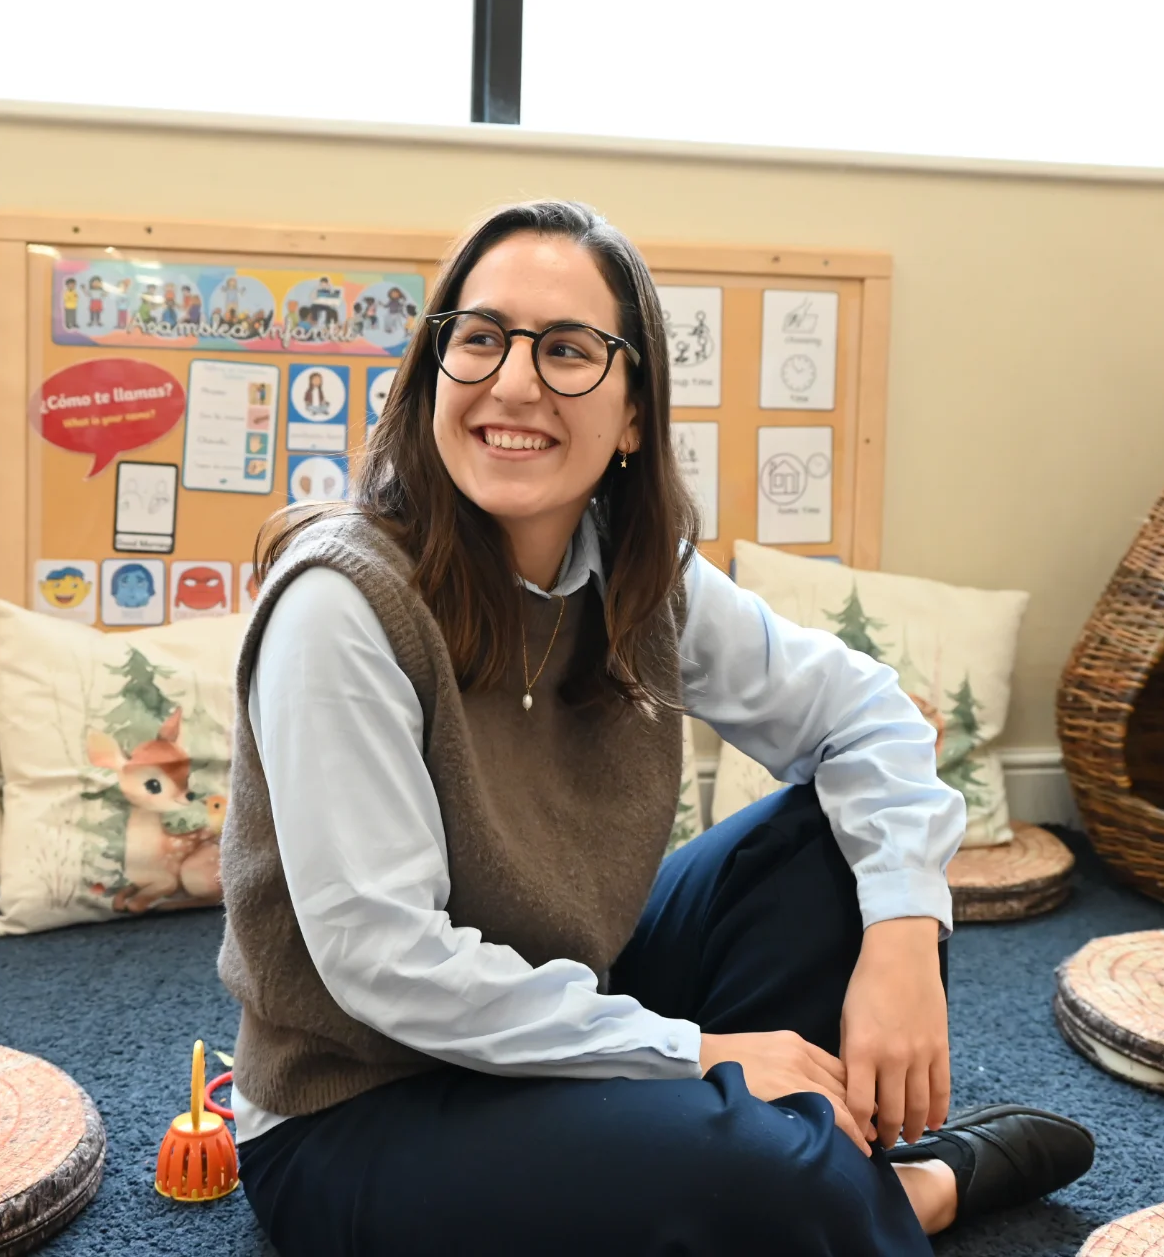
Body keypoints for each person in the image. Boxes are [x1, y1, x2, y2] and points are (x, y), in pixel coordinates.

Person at [220, 200, 1094, 1254]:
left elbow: (867, 713)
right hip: (362, 1107)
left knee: (838, 849)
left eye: (569, 351)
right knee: (754, 1180)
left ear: (634, 413)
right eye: (481, 337)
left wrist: (907, 931)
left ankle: (812, 1174)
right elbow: (385, 959)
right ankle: (904, 1189)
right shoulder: (343, 607)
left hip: (572, 1010)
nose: (513, 382)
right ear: (433, 371)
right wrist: (697, 1053)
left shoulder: (642, 578)